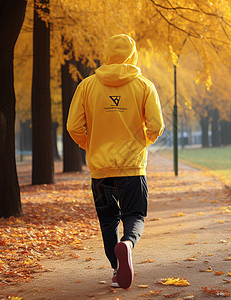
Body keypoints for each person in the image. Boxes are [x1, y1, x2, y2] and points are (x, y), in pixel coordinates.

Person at [67, 34, 164, 289]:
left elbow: (73, 126)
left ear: (107, 54)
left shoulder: (86, 86)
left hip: (101, 170)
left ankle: (116, 269)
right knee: (135, 214)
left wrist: (90, 144)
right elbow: (157, 125)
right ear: (133, 55)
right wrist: (143, 143)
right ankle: (128, 244)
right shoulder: (144, 86)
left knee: (108, 220)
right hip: (132, 167)